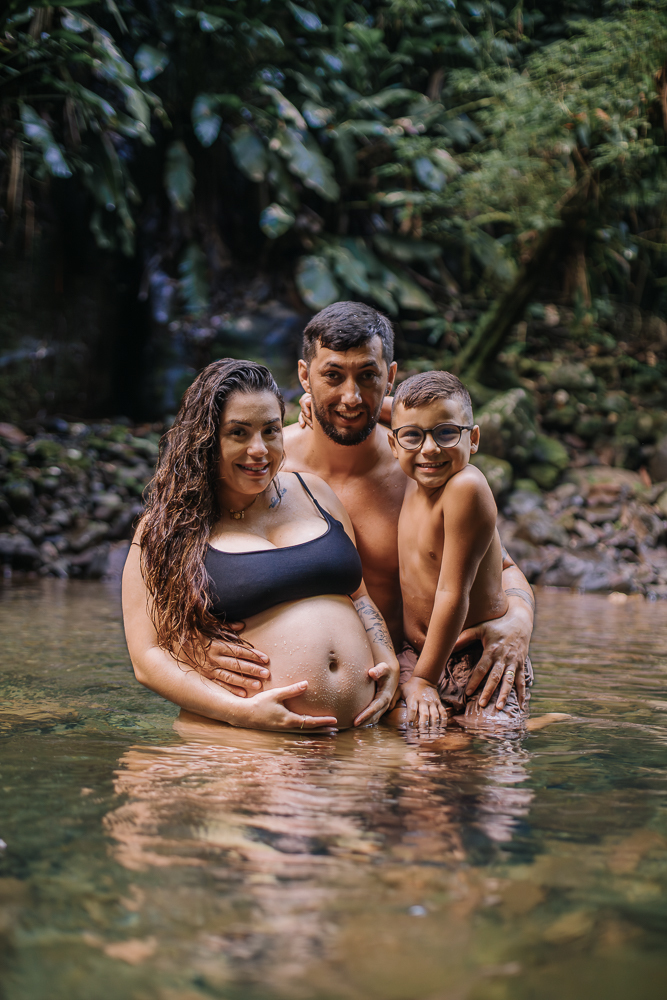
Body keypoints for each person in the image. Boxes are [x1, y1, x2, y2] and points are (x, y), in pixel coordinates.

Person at [200, 302, 534, 713]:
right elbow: (192, 561)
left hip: (415, 678)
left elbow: (498, 566)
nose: (351, 397)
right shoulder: (263, 463)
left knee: (462, 751)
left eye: (367, 376)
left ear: (389, 377)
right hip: (315, 705)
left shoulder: (420, 462)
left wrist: (520, 618)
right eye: (333, 376)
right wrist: (193, 642)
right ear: (305, 376)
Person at [122, 359, 399, 732]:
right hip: (247, 736)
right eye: (239, 433)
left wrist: (387, 658)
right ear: (206, 438)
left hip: (359, 732)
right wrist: (240, 712)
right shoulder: (167, 527)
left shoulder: (315, 492)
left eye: (270, 431)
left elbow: (359, 596)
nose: (259, 450)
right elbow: (147, 657)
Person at [388, 370, 532, 729]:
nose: (430, 448)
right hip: (418, 654)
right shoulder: (415, 477)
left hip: (477, 656)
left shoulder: (465, 488)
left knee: (487, 741)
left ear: (474, 439)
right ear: (394, 443)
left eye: (447, 433)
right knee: (407, 732)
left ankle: (531, 724)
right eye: (413, 436)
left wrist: (423, 680)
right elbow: (405, 415)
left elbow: (453, 592)